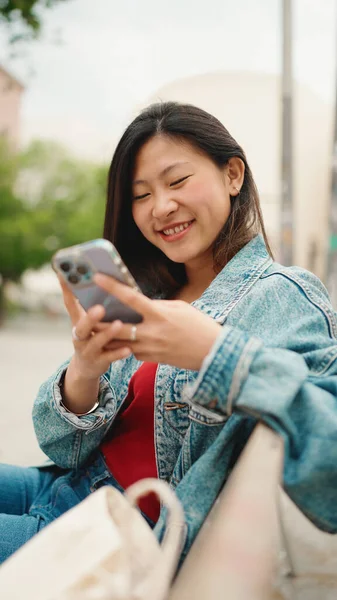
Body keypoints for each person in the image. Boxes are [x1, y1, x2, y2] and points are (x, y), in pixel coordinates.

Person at [1, 101, 337, 567]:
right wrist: (85, 369)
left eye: (177, 181)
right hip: (64, 488)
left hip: (117, 536)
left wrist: (216, 354)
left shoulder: (282, 296)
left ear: (233, 175)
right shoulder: (151, 296)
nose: (161, 207)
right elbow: (60, 445)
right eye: (140, 195)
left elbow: (330, 460)